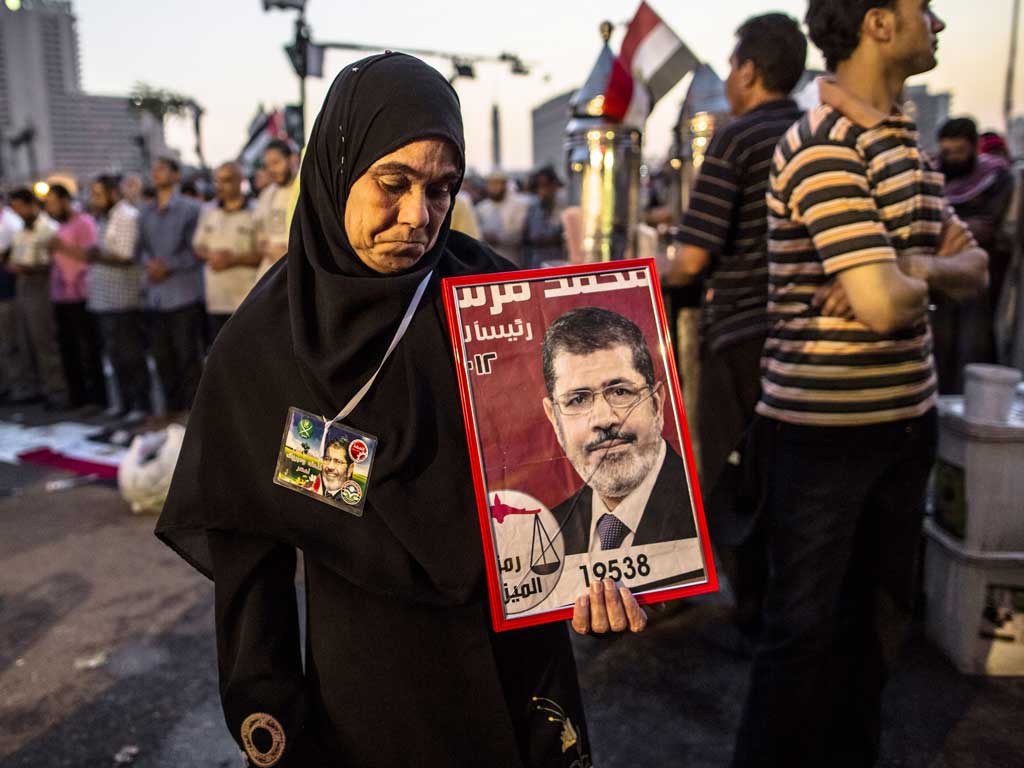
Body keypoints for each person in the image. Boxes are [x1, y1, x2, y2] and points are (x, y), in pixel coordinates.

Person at [156, 53, 647, 768]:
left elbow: (573, 480)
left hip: (518, 662)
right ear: (335, 168)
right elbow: (248, 562)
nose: (418, 216)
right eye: (393, 183)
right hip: (371, 684)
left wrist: (606, 577)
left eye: (442, 189)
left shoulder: (500, 304)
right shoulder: (264, 347)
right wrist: (272, 715)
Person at [731, 3, 987, 766]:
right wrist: (903, 278)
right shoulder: (821, 147)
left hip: (905, 424)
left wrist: (910, 268)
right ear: (877, 22)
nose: (937, 23)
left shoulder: (904, 144)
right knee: (801, 646)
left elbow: (971, 267)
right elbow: (878, 308)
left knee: (876, 639)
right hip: (819, 437)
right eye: (922, 9)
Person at [667, 12, 806, 649]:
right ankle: (788, 605)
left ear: (750, 71)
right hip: (812, 339)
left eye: (731, 65)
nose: (727, 77)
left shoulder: (737, 138)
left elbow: (693, 259)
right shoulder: (815, 132)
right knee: (793, 475)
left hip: (745, 332)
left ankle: (750, 609)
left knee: (734, 475)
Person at [543, 307, 697, 556]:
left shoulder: (704, 510)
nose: (604, 419)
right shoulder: (546, 538)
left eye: (620, 392)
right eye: (578, 400)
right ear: (554, 418)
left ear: (657, 403)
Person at [932, 117, 1015, 392]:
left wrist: (953, 233)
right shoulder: (932, 175)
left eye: (959, 153)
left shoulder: (995, 177)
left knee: (971, 349)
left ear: (974, 149)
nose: (952, 159)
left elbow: (989, 226)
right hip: (937, 278)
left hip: (979, 283)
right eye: (947, 153)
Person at [137, 156, 204, 414]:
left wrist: (168, 265)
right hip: (154, 294)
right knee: (162, 357)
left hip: (182, 292)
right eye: (154, 169)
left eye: (163, 169)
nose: (156, 173)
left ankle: (194, 412)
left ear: (176, 175)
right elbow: (140, 248)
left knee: (188, 355)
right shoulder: (145, 212)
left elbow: (196, 249)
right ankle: (171, 409)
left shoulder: (190, 209)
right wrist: (150, 265)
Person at [87, 175, 151, 418]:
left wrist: (94, 255)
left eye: (98, 194)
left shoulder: (126, 216)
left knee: (130, 354)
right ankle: (124, 402)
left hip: (123, 298)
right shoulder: (104, 217)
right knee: (114, 355)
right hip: (104, 298)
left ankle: (140, 405)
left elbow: (125, 255)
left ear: (113, 193)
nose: (94, 199)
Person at [46, 182, 107, 410]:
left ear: (64, 201)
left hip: (82, 294)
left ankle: (97, 398)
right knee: (68, 348)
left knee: (88, 348)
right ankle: (77, 396)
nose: (50, 208)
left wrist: (62, 247)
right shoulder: (57, 226)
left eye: (53, 203)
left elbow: (91, 255)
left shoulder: (84, 223)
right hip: (61, 295)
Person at [6, 188, 66, 407]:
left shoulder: (48, 228)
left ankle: (57, 390)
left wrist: (30, 268)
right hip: (22, 285)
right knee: (25, 340)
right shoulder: (21, 230)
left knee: (44, 340)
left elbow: (54, 262)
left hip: (42, 286)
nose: (18, 211)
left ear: (31, 204)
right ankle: (37, 387)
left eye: (20, 206)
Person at [193, 161, 260, 344]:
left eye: (227, 180)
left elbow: (263, 253)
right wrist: (212, 256)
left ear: (240, 181)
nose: (221, 185)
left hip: (246, 299)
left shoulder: (256, 210)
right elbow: (198, 246)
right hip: (216, 301)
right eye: (218, 181)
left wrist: (233, 260)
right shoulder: (208, 210)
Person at [254, 139, 299, 276]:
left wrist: (289, 253)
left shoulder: (304, 189)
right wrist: (269, 250)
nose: (271, 170)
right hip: (270, 272)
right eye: (268, 165)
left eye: (276, 163)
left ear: (292, 159)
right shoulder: (266, 195)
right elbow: (259, 237)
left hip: (296, 270)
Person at [476, 170, 530, 266]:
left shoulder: (518, 206)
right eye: (491, 184)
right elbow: (476, 232)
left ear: (505, 185)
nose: (494, 187)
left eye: (497, 183)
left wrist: (497, 238)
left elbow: (519, 234)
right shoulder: (481, 208)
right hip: (487, 262)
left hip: (511, 260)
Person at [0, 195, 24, 402]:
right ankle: (6, 384)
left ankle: (19, 386)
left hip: (8, 289)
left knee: (11, 342)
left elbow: (13, 256)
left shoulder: (11, 223)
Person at [522, 165, 566, 268]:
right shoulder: (534, 208)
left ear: (554, 186)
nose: (543, 190)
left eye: (546, 185)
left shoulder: (563, 207)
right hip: (537, 262)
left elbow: (562, 235)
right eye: (540, 186)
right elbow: (529, 236)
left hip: (558, 261)